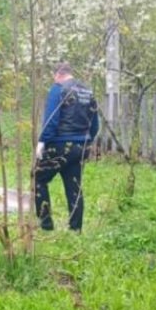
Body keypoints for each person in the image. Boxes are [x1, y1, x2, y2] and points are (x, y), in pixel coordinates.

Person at [35, 61, 99, 232]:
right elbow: (95, 125)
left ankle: (46, 223)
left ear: (58, 74)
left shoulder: (58, 89)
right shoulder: (88, 92)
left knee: (38, 179)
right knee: (74, 186)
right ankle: (75, 229)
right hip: (81, 146)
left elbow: (51, 120)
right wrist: (86, 141)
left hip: (59, 145)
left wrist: (42, 142)